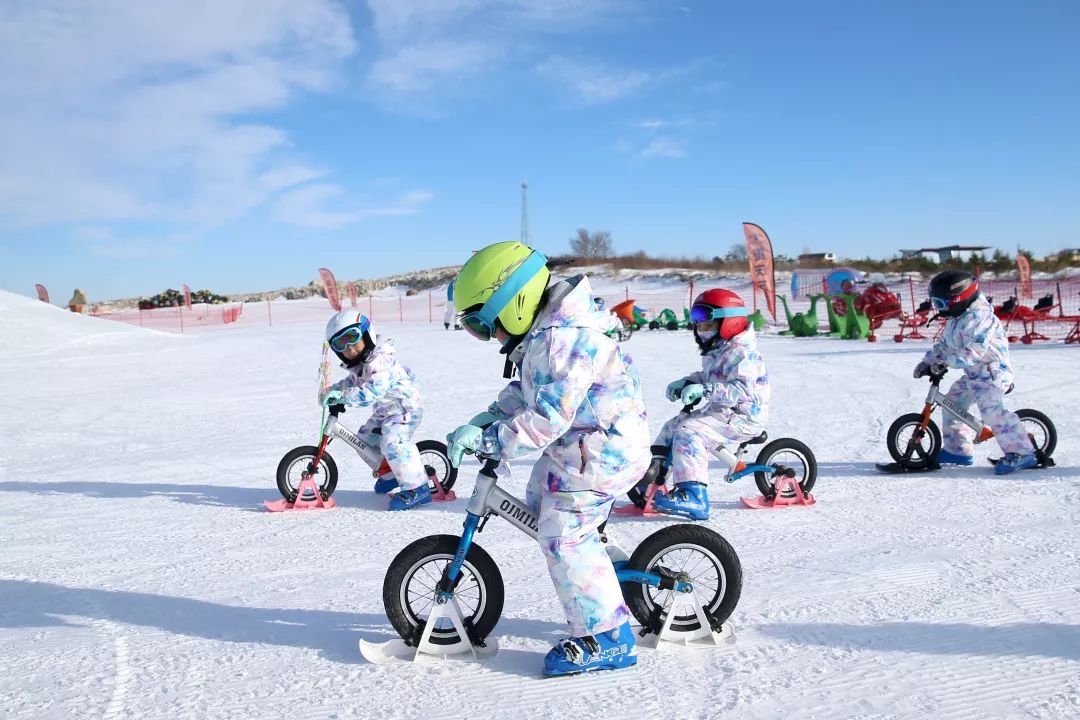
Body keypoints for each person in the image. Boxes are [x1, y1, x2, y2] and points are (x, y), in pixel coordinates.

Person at [445, 241, 650, 676]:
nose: (489, 336)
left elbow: (547, 416)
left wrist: (492, 441)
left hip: (604, 451)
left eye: (484, 325)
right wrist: (493, 416)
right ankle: (600, 569)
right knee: (539, 499)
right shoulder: (545, 334)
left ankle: (608, 638)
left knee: (563, 533)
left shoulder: (565, 340)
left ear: (513, 304)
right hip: (582, 447)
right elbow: (529, 390)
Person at [651, 289, 770, 520]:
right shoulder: (719, 349)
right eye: (698, 325)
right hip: (722, 412)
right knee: (672, 426)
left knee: (688, 433)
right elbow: (710, 377)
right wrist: (689, 381)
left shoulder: (743, 355)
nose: (701, 330)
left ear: (730, 322)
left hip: (743, 416)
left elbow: (741, 391)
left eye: (707, 324)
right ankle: (651, 480)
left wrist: (704, 390)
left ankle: (694, 496)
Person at [914, 271, 1037, 474]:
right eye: (936, 304)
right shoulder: (956, 317)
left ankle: (1022, 452)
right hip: (974, 374)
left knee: (991, 412)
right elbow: (943, 345)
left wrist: (946, 362)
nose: (939, 309)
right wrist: (927, 361)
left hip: (992, 373)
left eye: (941, 304)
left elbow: (974, 351)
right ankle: (958, 450)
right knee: (952, 404)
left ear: (959, 298)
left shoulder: (980, 318)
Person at [320, 311, 430, 509]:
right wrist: (335, 390)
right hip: (386, 410)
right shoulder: (361, 363)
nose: (349, 348)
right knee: (363, 441)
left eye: (352, 338)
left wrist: (344, 397)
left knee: (392, 441)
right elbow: (352, 382)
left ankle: (417, 488)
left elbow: (372, 391)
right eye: (340, 344)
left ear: (366, 334)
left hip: (405, 407)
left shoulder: (380, 360)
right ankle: (391, 474)